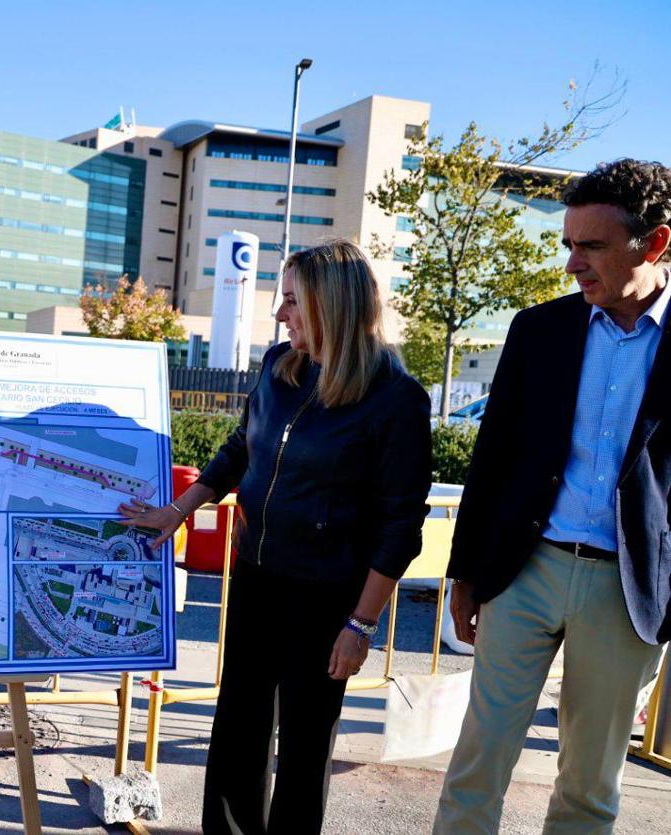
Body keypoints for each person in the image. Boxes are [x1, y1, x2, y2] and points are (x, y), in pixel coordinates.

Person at [121, 239, 432, 833]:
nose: (280, 313)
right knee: (237, 727)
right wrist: (178, 510)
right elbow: (241, 449)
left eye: (292, 301)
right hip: (259, 577)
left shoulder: (395, 400)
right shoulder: (279, 367)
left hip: (330, 598)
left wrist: (361, 624)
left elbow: (401, 527)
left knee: (305, 748)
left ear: (331, 307)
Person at [435, 158, 671, 833]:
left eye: (590, 246)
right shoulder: (538, 330)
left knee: (588, 789)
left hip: (627, 594)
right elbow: (493, 457)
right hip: (523, 570)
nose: (572, 263)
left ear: (653, 244)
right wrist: (466, 571)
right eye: (567, 244)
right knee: (476, 764)